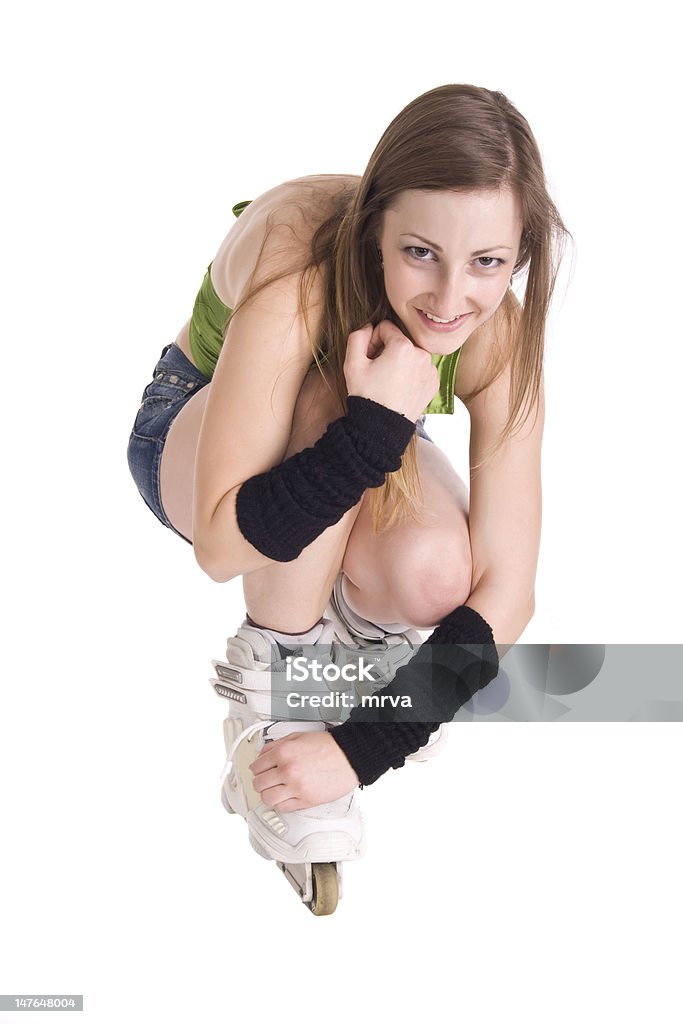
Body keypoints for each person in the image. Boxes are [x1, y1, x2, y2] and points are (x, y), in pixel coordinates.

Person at [127, 83, 568, 904]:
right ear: (374, 226)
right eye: (418, 252)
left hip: (361, 434)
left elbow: (508, 591)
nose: (448, 301)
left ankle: (361, 650)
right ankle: (281, 687)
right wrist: (369, 427)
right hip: (193, 441)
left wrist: (364, 744)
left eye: (487, 262)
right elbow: (224, 548)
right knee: (333, 398)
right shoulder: (304, 254)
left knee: (439, 575)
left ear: (520, 252)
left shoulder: (498, 330)